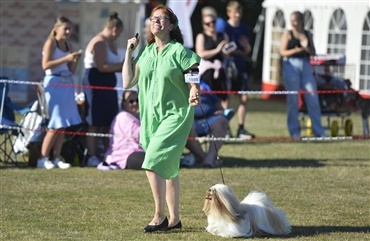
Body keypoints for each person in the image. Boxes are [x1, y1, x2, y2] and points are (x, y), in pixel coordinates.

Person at [122, 5, 200, 232]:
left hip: (176, 114)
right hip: (151, 116)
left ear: (171, 25)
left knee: (153, 161)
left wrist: (194, 88)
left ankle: (159, 216)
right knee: (169, 168)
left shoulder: (178, 50)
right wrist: (129, 53)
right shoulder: (145, 51)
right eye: (153, 18)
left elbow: (192, 69)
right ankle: (175, 220)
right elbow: (127, 82)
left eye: (162, 19)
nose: (156, 21)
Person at [37, 16, 82, 169]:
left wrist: (74, 60)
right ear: (56, 29)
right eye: (65, 28)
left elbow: (71, 70)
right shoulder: (50, 43)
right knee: (54, 124)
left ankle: (56, 157)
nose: (68, 32)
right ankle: (42, 158)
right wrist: (67, 58)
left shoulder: (69, 45)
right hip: (53, 84)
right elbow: (45, 65)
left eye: (70, 29)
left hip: (67, 83)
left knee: (63, 125)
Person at [83, 12, 124, 167]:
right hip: (95, 85)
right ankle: (92, 156)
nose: (118, 36)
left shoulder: (110, 43)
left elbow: (113, 66)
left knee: (108, 122)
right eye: (119, 33)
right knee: (94, 122)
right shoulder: (99, 42)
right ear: (114, 29)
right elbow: (102, 66)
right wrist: (123, 65)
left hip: (109, 87)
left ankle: (108, 154)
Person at [280, 11, 326, 138]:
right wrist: (295, 50)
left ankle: (319, 131)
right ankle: (294, 132)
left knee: (313, 97)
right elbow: (282, 52)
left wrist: (307, 49)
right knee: (293, 100)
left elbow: (313, 52)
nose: (293, 23)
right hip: (291, 65)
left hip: (305, 65)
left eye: (295, 20)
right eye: (291, 20)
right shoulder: (288, 34)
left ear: (301, 21)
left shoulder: (307, 34)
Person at [224, 0, 255, 139]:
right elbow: (225, 50)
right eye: (235, 11)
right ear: (229, 12)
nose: (237, 14)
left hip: (241, 66)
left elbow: (247, 50)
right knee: (226, 97)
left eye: (239, 11)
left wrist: (245, 49)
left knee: (244, 97)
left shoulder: (244, 28)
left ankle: (241, 128)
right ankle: (225, 127)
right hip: (228, 66)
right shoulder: (224, 27)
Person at [183, 81, 230, 168]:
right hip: (189, 119)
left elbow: (218, 104)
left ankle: (209, 158)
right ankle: (205, 158)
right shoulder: (180, 84)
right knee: (184, 127)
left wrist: (221, 111)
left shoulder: (205, 85)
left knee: (221, 122)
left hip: (210, 117)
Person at [97, 90, 145, 170]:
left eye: (137, 100)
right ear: (124, 103)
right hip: (125, 155)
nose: (135, 103)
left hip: (136, 151)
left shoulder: (136, 116)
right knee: (152, 161)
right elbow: (139, 135)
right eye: (131, 101)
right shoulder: (123, 116)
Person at [196, 8, 230, 109]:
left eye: (213, 22)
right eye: (208, 23)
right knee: (208, 98)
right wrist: (217, 50)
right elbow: (201, 54)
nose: (211, 25)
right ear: (204, 25)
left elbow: (226, 56)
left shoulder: (223, 36)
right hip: (206, 73)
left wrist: (226, 51)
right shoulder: (201, 36)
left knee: (224, 97)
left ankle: (223, 120)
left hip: (220, 70)